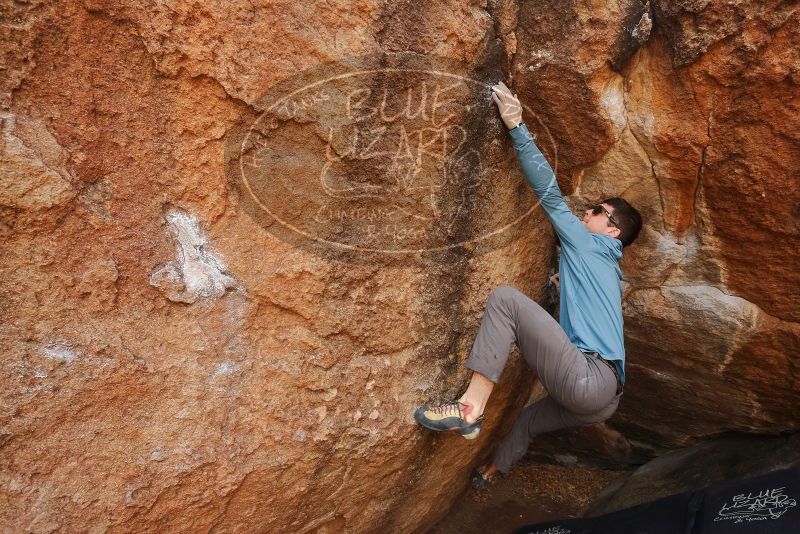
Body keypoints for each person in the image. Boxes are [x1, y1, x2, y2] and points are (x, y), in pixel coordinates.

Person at [413, 81, 643, 489]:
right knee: (531, 420)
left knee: (504, 300)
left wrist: (517, 125)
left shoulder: (589, 244)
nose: (586, 212)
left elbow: (550, 195)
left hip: (588, 379)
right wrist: (559, 289)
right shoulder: (608, 268)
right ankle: (493, 471)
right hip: (605, 401)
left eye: (596, 211)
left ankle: (469, 409)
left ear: (611, 230)